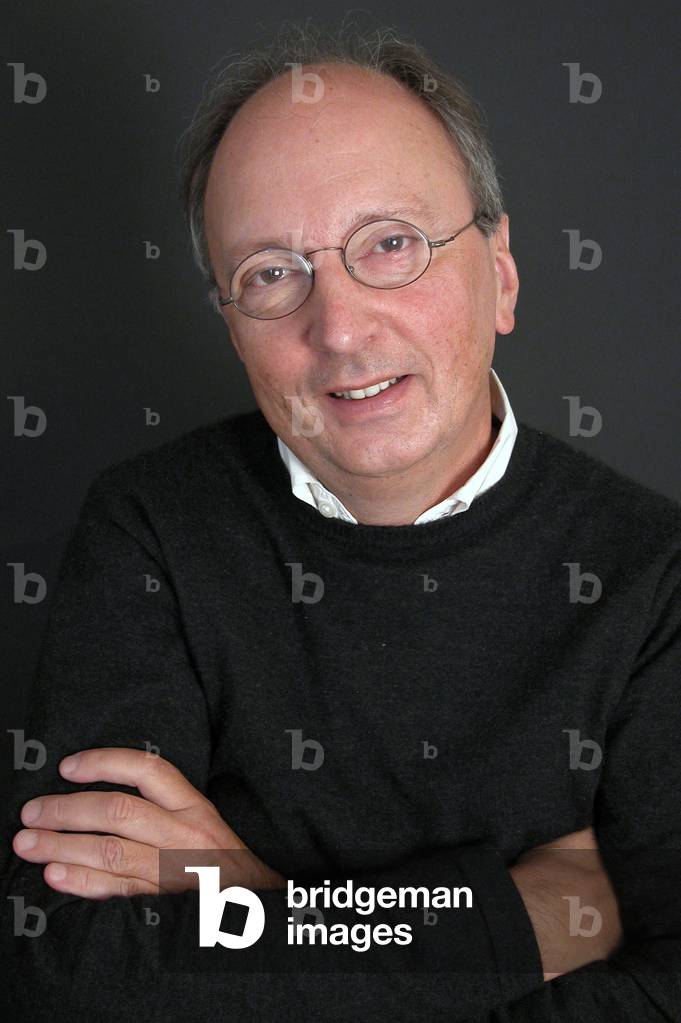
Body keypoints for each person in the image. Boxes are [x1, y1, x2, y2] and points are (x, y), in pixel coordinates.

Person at [2, 22, 679, 1022]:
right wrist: (516, 921)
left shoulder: (655, 580)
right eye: (271, 273)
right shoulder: (149, 531)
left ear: (500, 273)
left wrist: (253, 896)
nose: (340, 327)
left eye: (391, 244)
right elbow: (74, 972)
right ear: (231, 323)